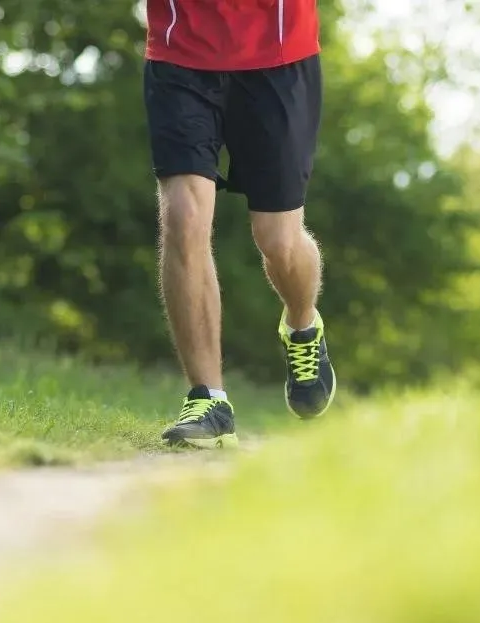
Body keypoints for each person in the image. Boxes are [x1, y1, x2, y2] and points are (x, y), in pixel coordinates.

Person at [144, 0, 336, 449]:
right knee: (183, 216)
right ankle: (208, 399)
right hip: (181, 52)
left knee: (278, 239)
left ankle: (303, 324)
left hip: (280, 56)